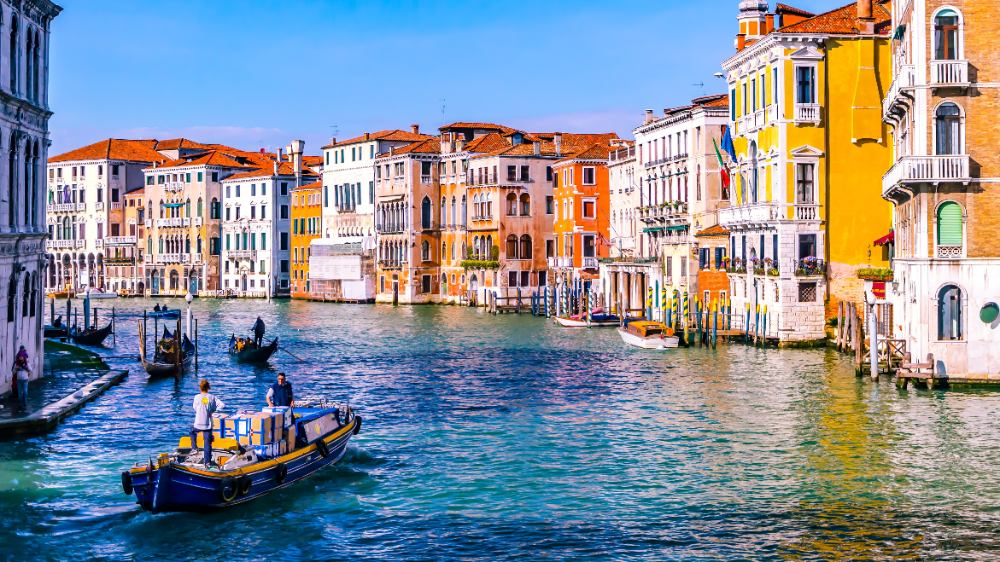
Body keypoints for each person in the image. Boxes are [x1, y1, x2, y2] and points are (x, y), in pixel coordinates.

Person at [191, 379, 225, 467]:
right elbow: (218, 406)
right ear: (208, 387)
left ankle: (194, 448)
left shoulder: (196, 397)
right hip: (207, 424)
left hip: (198, 423)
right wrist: (212, 411)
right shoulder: (212, 397)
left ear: (200, 388)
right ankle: (207, 462)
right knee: (207, 443)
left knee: (192, 432)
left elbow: (195, 408)